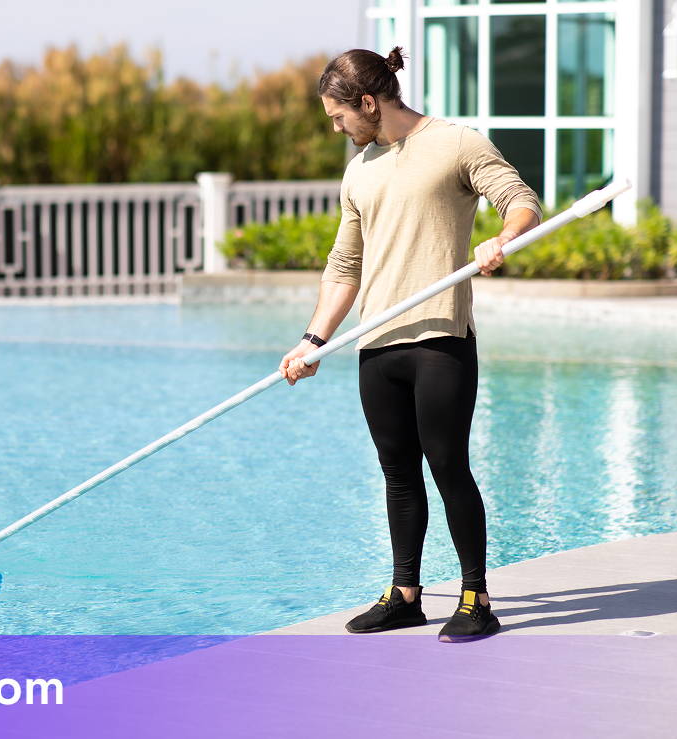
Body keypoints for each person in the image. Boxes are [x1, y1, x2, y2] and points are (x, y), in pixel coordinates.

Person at [280, 47, 540, 642]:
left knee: (448, 466)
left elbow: (519, 198)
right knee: (398, 472)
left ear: (368, 102)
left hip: (440, 337)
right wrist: (313, 340)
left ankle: (476, 598)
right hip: (379, 344)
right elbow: (345, 264)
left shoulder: (455, 143)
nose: (337, 127)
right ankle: (406, 594)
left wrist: (500, 239)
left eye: (339, 116)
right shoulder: (360, 170)